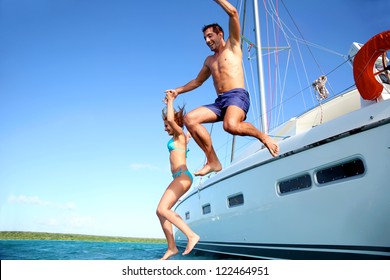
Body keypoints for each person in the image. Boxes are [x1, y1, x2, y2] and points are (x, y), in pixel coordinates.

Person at [165, 0, 279, 176]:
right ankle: (213, 160)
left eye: (210, 36)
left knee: (230, 125)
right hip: (220, 102)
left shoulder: (233, 46)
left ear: (220, 34)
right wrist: (177, 91)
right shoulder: (209, 61)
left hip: (237, 96)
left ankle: (263, 136)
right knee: (190, 119)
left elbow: (233, 13)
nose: (207, 40)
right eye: (204, 38)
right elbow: (197, 81)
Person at [156, 91, 200, 260]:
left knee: (162, 209)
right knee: (161, 212)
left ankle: (191, 235)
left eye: (166, 125)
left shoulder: (179, 134)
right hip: (179, 178)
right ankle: (172, 247)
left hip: (183, 176)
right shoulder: (182, 138)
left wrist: (170, 102)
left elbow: (173, 121)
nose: (165, 128)